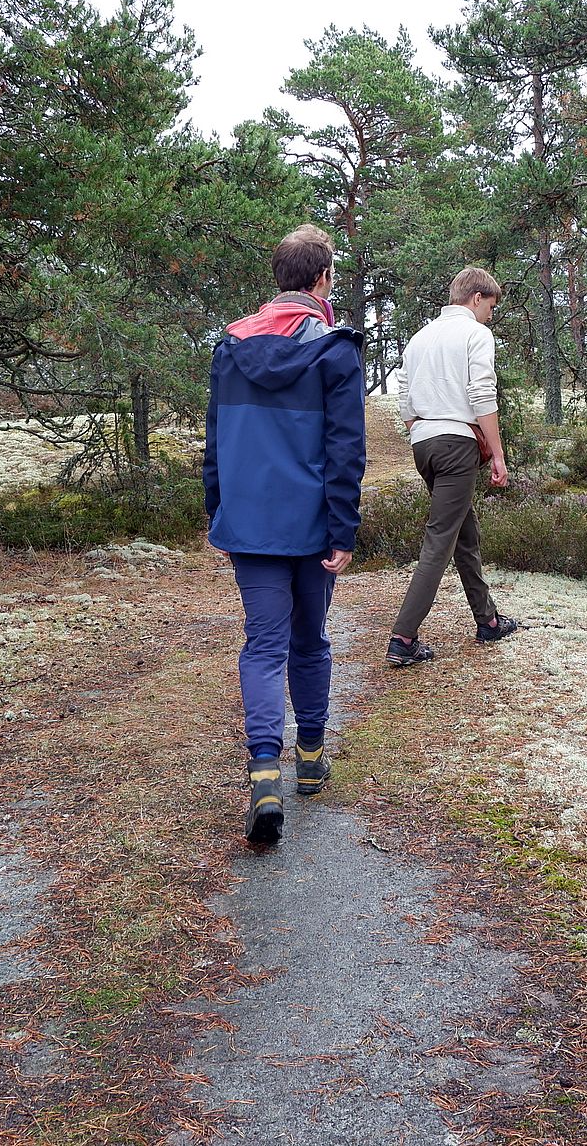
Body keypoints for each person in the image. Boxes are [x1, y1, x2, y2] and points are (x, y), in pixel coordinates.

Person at [204, 224, 367, 845]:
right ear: (323, 279)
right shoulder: (335, 351)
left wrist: (218, 511)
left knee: (263, 645)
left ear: (279, 278)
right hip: (312, 523)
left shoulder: (230, 347)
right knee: (310, 639)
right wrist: (343, 528)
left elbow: (216, 441)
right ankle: (311, 758)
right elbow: (346, 450)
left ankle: (264, 775)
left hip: (250, 523)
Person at [387, 267, 519, 666]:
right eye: (491, 306)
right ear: (477, 298)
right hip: (457, 445)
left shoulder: (420, 337)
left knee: (464, 531)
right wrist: (498, 454)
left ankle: (488, 620)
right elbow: (482, 393)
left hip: (423, 444)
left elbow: (404, 395)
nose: (491, 315)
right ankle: (403, 638)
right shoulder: (475, 334)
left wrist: (420, 428)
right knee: (440, 539)